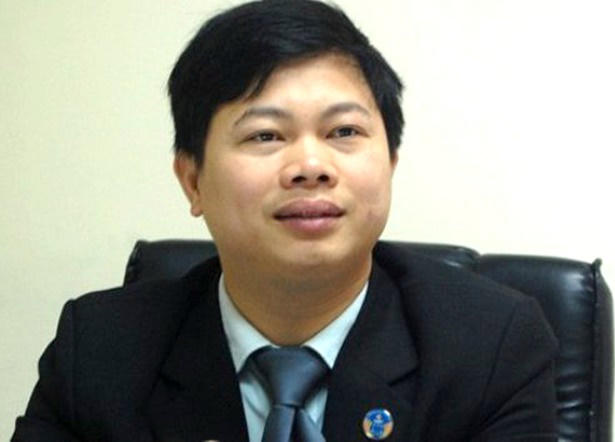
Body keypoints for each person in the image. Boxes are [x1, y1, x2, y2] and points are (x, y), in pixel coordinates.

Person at [13, 1, 558, 441]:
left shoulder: (488, 347)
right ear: (192, 180)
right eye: (265, 135)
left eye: (344, 132)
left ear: (390, 163)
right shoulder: (100, 352)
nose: (311, 166)